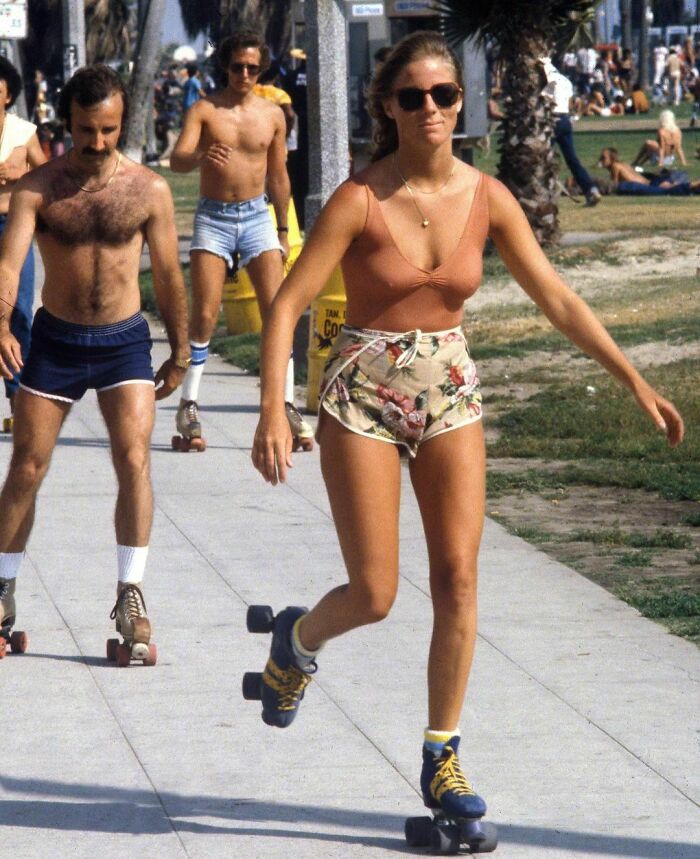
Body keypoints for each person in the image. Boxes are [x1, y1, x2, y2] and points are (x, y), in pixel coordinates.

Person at [249, 31, 684, 827]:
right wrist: (275, 407)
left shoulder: (490, 197)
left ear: (463, 104)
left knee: (458, 578)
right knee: (376, 591)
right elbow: (288, 304)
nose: (431, 110)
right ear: (387, 105)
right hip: (363, 396)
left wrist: (635, 381)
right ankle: (297, 640)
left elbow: (557, 298)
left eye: (444, 95)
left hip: (449, 389)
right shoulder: (360, 199)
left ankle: (441, 751)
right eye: (412, 96)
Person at [0, 65, 190, 662]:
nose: (98, 143)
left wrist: (181, 349)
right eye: (87, 131)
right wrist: (1, 321)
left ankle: (130, 593)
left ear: (122, 122)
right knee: (27, 467)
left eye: (109, 130)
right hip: (54, 342)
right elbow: (8, 265)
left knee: (134, 459)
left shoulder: (149, 190)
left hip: (124, 341)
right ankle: (2, 592)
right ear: (66, 123)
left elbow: (165, 273)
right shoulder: (38, 188)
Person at [170, 30, 311, 452]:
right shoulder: (205, 109)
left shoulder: (272, 115)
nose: (244, 74)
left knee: (278, 310)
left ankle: (284, 404)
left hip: (257, 216)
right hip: (213, 217)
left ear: (261, 67)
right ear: (225, 67)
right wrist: (198, 157)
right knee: (206, 315)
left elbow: (279, 174)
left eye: (252, 67)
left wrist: (284, 230)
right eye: (237, 67)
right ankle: (189, 404)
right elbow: (176, 160)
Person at [0, 57, 46, 433]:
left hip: (15, 228)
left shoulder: (23, 132)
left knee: (20, 313)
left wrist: (22, 172)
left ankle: (19, 396)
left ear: (8, 95)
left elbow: (48, 176)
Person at [541, 57, 601, 206]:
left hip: (552, 120)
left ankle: (544, 193)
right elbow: (570, 103)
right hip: (565, 120)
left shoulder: (548, 80)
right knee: (572, 159)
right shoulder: (565, 81)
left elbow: (544, 101)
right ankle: (590, 189)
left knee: (541, 157)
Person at [599, 147, 700, 195]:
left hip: (651, 185)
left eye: (603, 158)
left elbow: (614, 187)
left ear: (612, 159)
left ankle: (696, 183)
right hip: (653, 182)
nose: (601, 160)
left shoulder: (615, 167)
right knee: (675, 188)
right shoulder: (623, 164)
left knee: (672, 190)